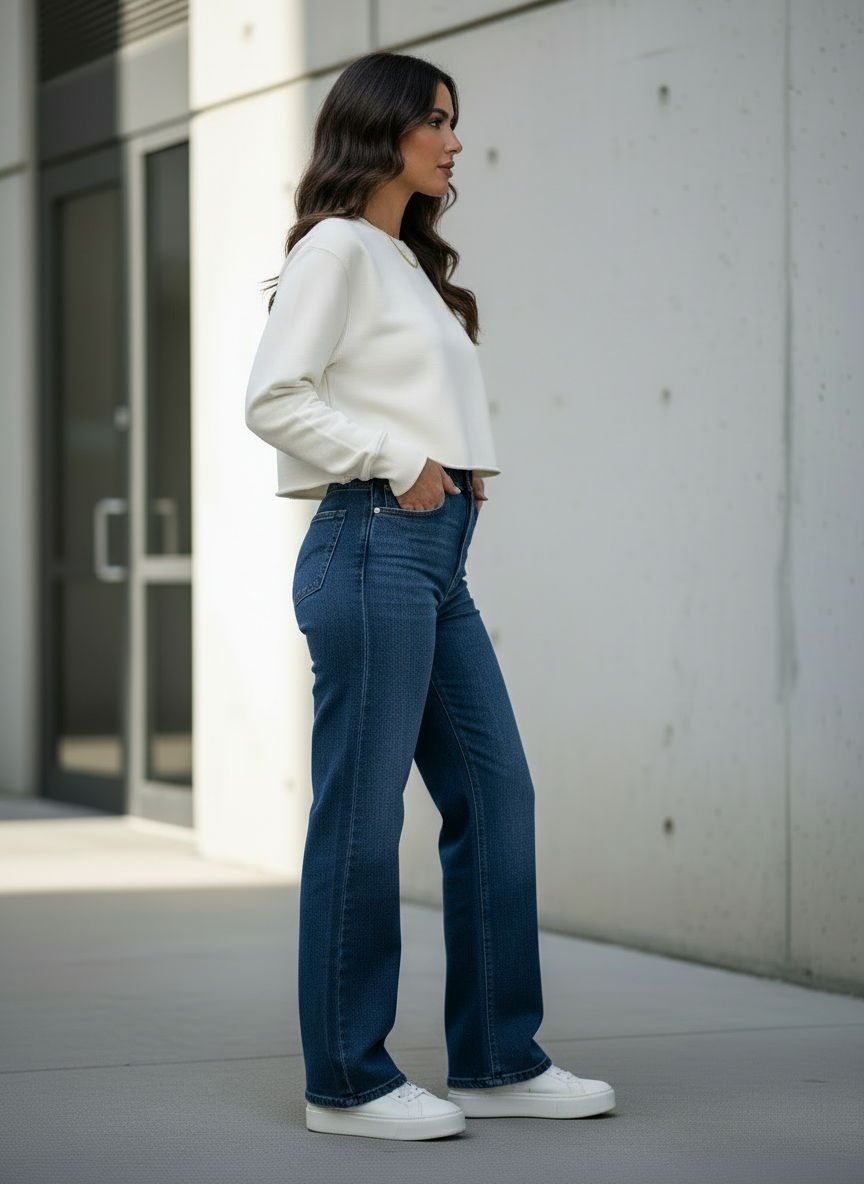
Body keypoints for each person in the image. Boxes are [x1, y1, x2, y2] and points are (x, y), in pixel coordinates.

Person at [245, 50, 615, 1141]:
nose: (455, 141)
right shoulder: (337, 246)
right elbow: (273, 396)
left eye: (455, 121)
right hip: (371, 546)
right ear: (384, 129)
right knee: (363, 817)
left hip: (431, 560)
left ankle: (498, 1056)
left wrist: (459, 464)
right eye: (437, 120)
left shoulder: (406, 260)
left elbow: (407, 390)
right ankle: (347, 1080)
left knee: (497, 794)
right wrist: (399, 459)